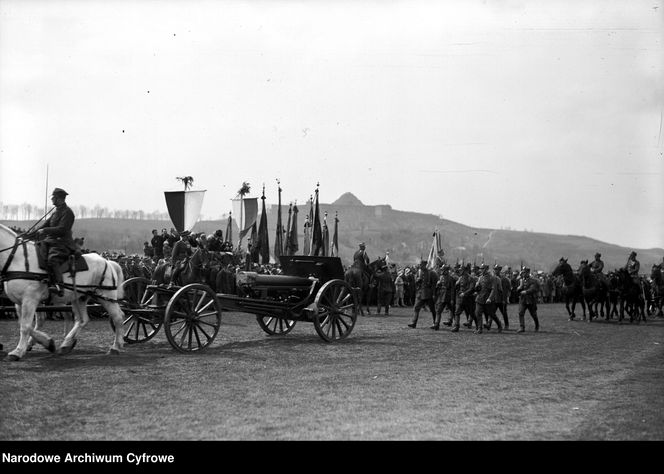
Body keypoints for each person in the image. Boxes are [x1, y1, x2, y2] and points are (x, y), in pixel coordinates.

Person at [32, 188, 76, 296]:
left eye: (53, 198)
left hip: (62, 243)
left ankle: (59, 286)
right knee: (36, 254)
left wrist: (45, 231)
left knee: (53, 259)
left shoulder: (68, 213)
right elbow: (44, 225)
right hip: (50, 241)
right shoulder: (55, 212)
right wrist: (29, 234)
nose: (52, 199)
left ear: (59, 199)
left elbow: (62, 229)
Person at [407, 260, 438, 328]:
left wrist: (433, 294)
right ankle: (414, 323)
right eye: (420, 265)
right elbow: (416, 283)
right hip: (420, 294)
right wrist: (417, 281)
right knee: (416, 308)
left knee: (432, 309)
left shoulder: (431, 273)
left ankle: (435, 323)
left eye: (421, 265)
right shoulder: (419, 272)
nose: (420, 266)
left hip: (429, 294)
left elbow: (434, 284)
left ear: (425, 265)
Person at [474, 263, 503, 334]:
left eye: (483, 268)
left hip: (488, 299)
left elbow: (494, 289)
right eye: (481, 269)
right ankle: (480, 329)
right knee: (478, 313)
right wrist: (476, 287)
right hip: (480, 298)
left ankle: (499, 325)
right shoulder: (480, 277)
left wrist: (490, 298)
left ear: (487, 269)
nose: (481, 270)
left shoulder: (492, 277)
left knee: (492, 314)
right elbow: (478, 288)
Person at [516, 267, 540, 333]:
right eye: (522, 272)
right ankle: (522, 327)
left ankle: (537, 325)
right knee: (521, 312)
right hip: (523, 299)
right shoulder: (521, 280)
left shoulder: (533, 280)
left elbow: (533, 289)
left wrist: (526, 292)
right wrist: (519, 288)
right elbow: (518, 290)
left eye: (524, 272)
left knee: (533, 314)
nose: (523, 274)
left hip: (530, 300)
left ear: (528, 273)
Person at [433, 264, 455, 330]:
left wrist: (452, 299)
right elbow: (438, 287)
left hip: (448, 297)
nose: (442, 271)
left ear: (446, 271)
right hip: (442, 296)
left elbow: (452, 289)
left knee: (453, 311)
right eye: (442, 270)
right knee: (438, 311)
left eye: (443, 270)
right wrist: (438, 285)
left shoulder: (451, 278)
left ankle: (456, 325)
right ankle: (437, 324)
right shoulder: (441, 277)